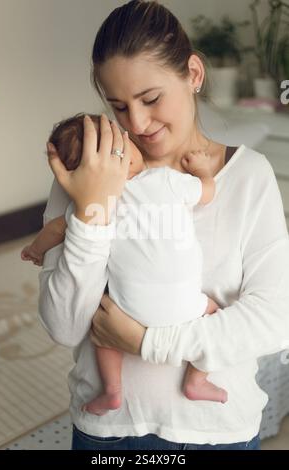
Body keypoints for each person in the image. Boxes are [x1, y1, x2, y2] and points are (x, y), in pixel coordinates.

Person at [38, 0, 289, 451]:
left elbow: (273, 321)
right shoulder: (89, 174)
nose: (137, 124)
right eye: (118, 107)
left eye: (151, 99)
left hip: (219, 433)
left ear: (193, 74)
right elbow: (65, 327)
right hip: (108, 436)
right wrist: (93, 211)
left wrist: (149, 343)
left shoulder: (248, 178)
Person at [22, 112, 229, 415]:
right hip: (187, 309)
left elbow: (54, 230)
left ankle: (112, 392)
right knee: (214, 312)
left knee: (102, 331)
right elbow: (208, 193)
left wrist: (34, 249)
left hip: (127, 312)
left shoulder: (95, 204)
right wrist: (201, 171)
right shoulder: (166, 181)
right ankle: (196, 380)